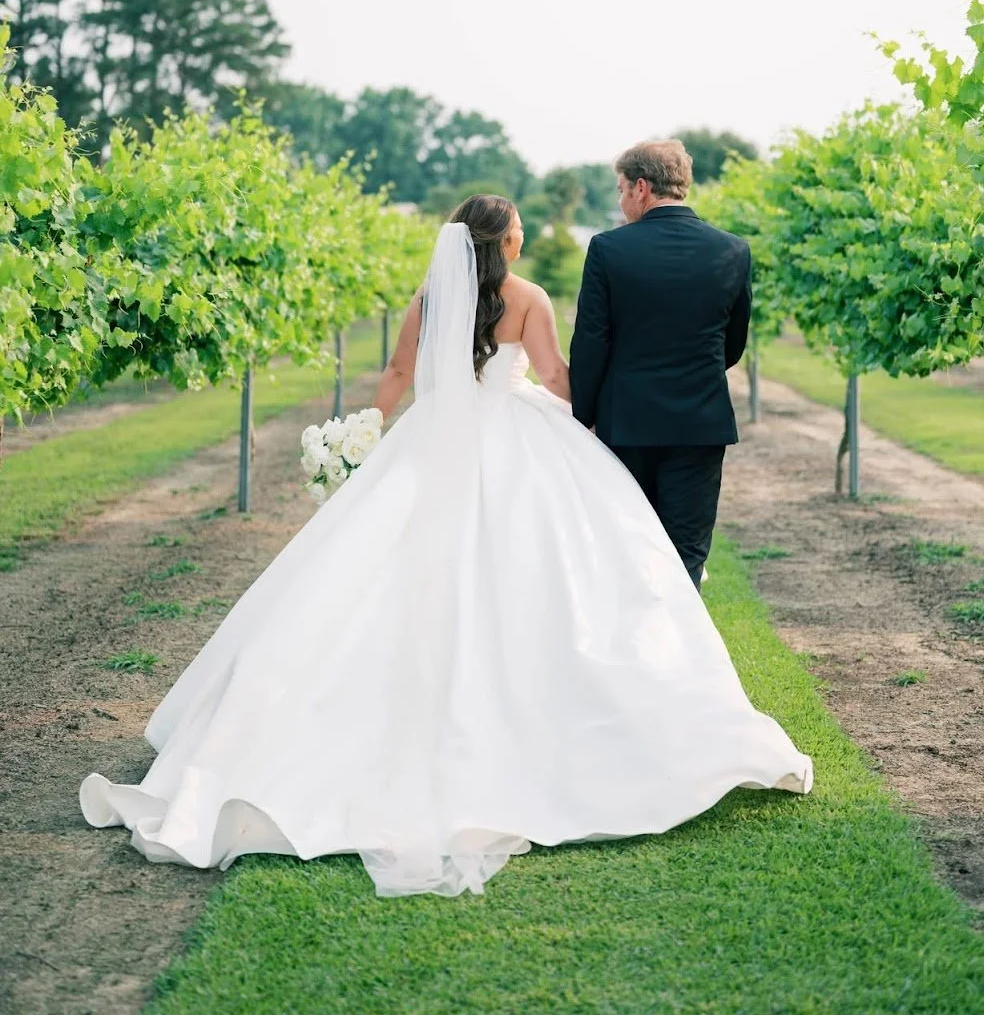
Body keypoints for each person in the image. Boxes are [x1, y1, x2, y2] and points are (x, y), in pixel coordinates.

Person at [80, 195, 812, 900]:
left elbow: (399, 373)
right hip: (520, 442)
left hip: (431, 446)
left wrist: (366, 430)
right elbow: (556, 375)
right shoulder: (529, 298)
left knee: (379, 576)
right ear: (508, 242)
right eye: (519, 228)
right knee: (542, 573)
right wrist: (590, 422)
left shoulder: (426, 300)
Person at [570, 140, 750, 587]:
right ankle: (682, 651)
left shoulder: (608, 250)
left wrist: (583, 417)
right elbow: (733, 345)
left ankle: (634, 646)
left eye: (620, 188)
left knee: (627, 546)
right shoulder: (732, 250)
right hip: (700, 425)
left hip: (626, 424)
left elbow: (591, 343)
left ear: (642, 188)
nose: (619, 199)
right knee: (687, 551)